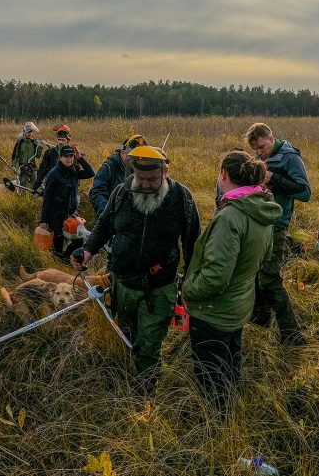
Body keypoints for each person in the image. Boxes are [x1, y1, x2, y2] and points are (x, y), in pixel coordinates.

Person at [71, 145, 200, 394]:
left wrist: (190, 283)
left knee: (148, 346)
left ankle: (144, 396)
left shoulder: (181, 198)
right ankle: (123, 383)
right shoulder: (121, 193)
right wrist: (86, 251)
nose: (146, 184)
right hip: (122, 283)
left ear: (166, 172)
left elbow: (193, 241)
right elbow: (104, 226)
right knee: (126, 335)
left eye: (152, 179)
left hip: (159, 289)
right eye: (140, 179)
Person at [181, 150, 281, 412]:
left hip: (214, 311)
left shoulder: (230, 216)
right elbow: (265, 256)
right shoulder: (261, 208)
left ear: (224, 174)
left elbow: (215, 277)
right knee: (229, 368)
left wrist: (187, 289)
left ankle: (217, 430)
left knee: (211, 379)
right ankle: (231, 419)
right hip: (238, 306)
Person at [244, 123, 310, 345]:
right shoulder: (261, 158)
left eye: (262, 147)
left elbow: (304, 192)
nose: (260, 152)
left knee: (270, 278)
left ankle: (292, 334)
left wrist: (273, 180)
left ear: (271, 137)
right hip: (258, 224)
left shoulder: (290, 158)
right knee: (254, 274)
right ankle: (259, 322)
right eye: (257, 150)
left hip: (277, 225)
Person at [38, 144, 95, 260]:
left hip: (72, 216)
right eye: (66, 156)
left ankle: (66, 258)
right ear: (60, 157)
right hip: (56, 216)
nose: (69, 158)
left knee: (78, 242)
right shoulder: (53, 174)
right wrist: (44, 220)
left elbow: (91, 173)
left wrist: (80, 158)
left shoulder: (74, 171)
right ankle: (58, 262)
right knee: (57, 247)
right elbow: (47, 198)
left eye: (71, 156)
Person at [88, 134, 147, 217]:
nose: (138, 160)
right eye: (134, 157)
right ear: (123, 153)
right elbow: (96, 193)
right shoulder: (109, 167)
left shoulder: (138, 169)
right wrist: (108, 212)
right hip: (110, 218)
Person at [33, 124, 73, 194]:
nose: (60, 142)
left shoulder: (72, 154)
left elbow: (75, 172)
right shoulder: (50, 152)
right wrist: (36, 185)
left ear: (67, 141)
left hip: (67, 186)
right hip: (52, 183)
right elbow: (43, 170)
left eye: (63, 140)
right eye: (59, 140)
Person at [11, 122, 44, 189]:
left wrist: (40, 147)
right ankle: (22, 197)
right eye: (28, 131)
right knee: (23, 184)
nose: (30, 133)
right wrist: (13, 165)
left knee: (34, 185)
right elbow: (16, 156)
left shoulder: (34, 142)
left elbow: (38, 156)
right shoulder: (20, 142)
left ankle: (32, 198)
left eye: (31, 132)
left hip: (32, 167)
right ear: (24, 131)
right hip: (23, 167)